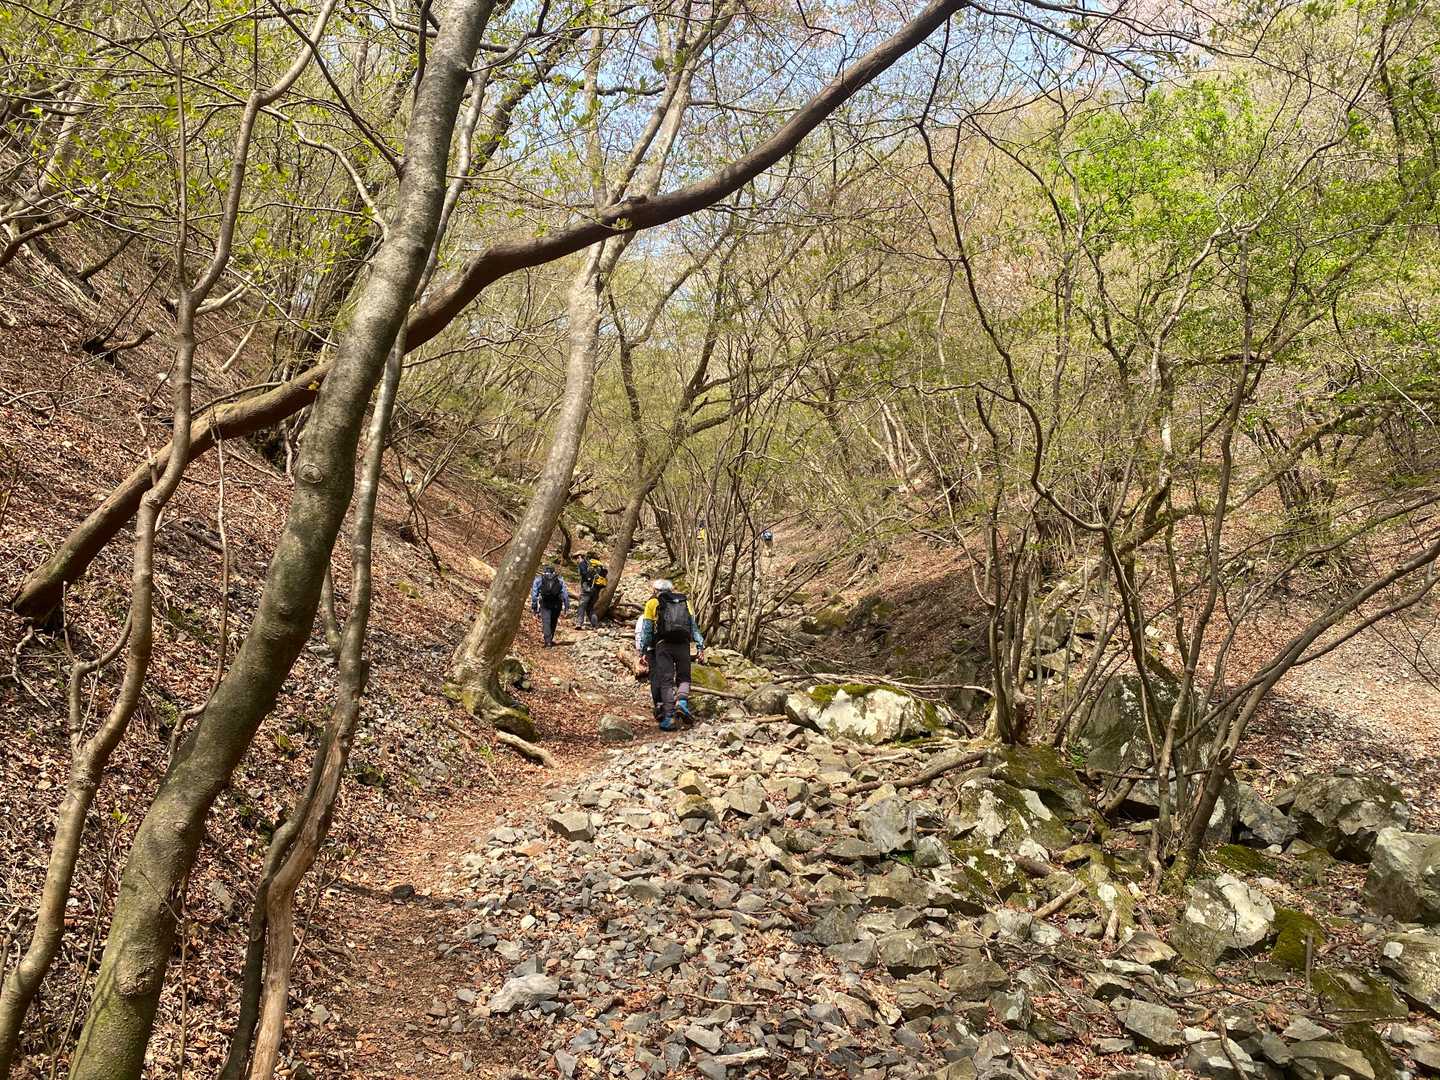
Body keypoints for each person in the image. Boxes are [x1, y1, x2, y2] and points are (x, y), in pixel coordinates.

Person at [637, 579, 705, 731]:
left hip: (663, 645)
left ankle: (669, 718)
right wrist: (700, 646)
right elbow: (693, 627)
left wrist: (643, 650)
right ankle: (682, 702)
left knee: (666, 680)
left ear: (655, 590)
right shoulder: (685, 602)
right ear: (671, 589)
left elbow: (647, 630)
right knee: (684, 677)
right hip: (683, 644)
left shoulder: (652, 603)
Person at [634, 580, 663, 723]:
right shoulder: (671, 608)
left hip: (653, 648)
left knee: (655, 677)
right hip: (669, 646)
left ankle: (659, 706)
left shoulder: (645, 615)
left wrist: (642, 651)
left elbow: (642, 633)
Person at [529, 562, 570, 646]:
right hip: (557, 603)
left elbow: (534, 594)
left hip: (545, 603)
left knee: (546, 621)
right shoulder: (559, 579)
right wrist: (566, 606)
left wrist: (534, 605)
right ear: (553, 571)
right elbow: (565, 593)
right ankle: (550, 639)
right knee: (553, 621)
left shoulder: (539, 579)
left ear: (544, 571)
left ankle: (547, 641)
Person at [573, 553, 598, 629]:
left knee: (582, 606)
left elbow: (584, 574)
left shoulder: (582, 564)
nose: (576, 560)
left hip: (586, 589)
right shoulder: (591, 564)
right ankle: (595, 624)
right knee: (590, 608)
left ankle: (579, 623)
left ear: (580, 557)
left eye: (576, 558)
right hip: (594, 589)